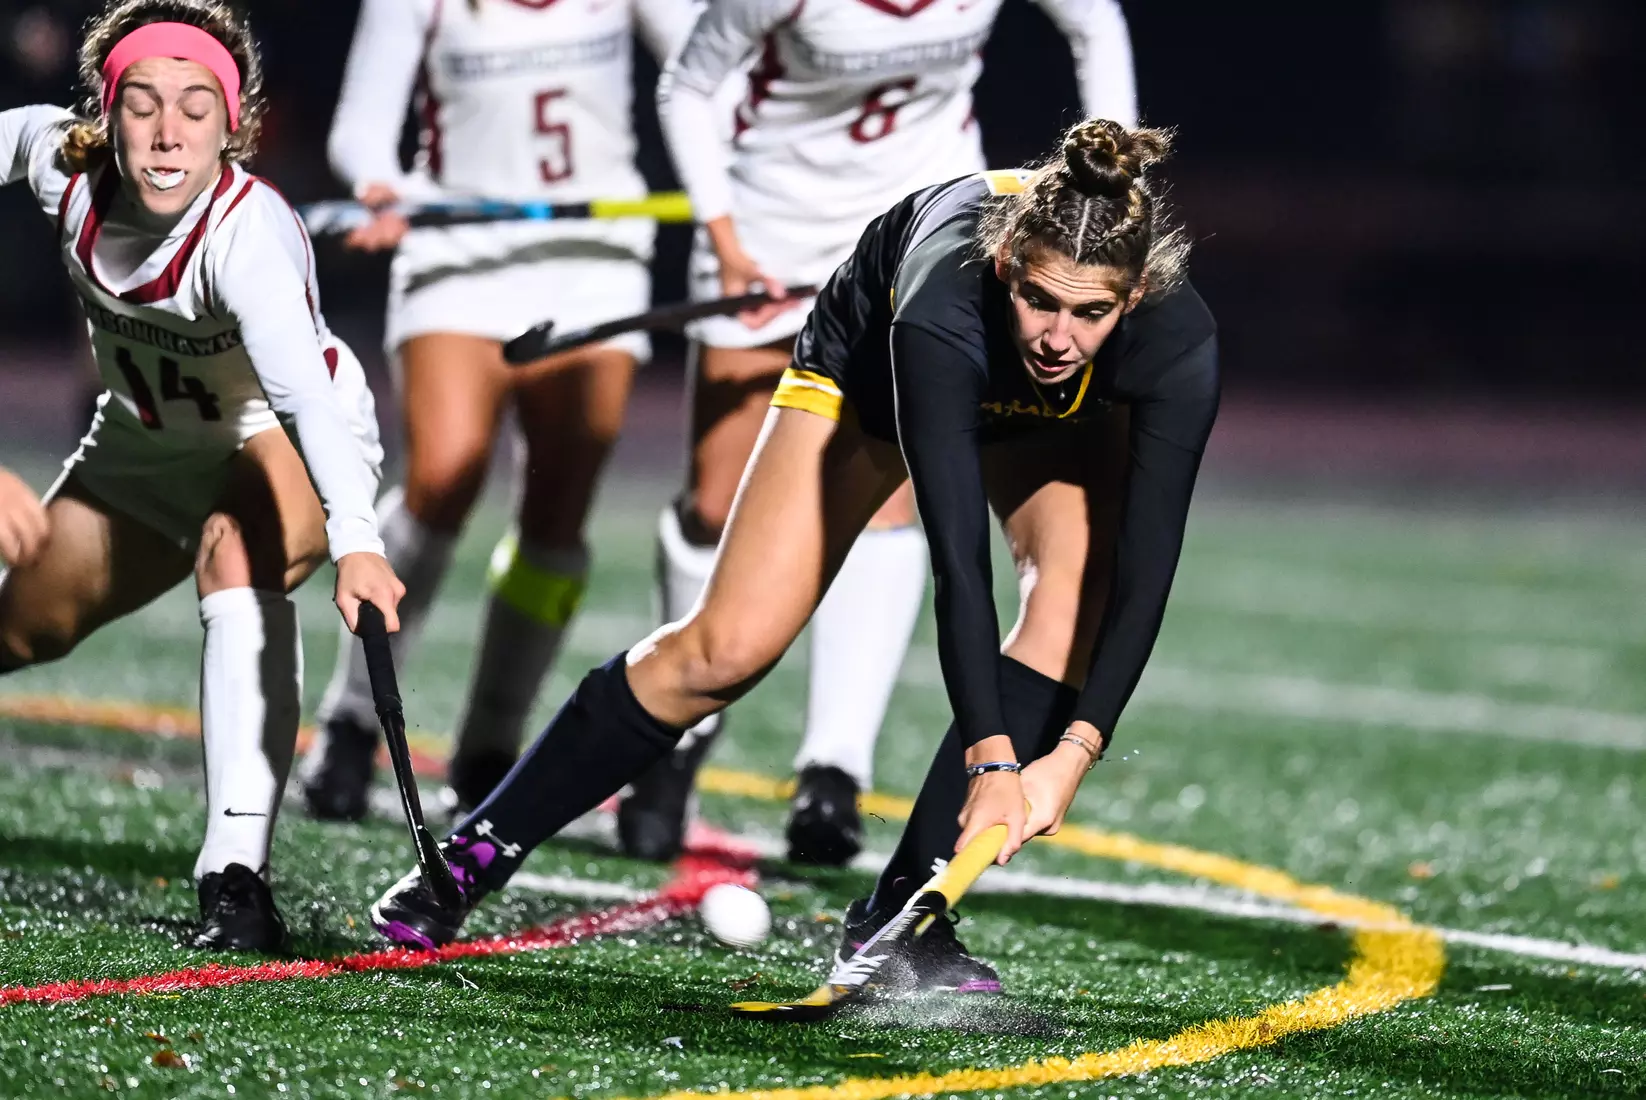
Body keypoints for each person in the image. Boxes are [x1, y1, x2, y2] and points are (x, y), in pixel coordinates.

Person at [368, 118, 1219, 992]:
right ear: (1006, 267)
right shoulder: (943, 309)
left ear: (1136, 297)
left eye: (1091, 312)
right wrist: (997, 764)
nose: (1057, 336)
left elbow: (1147, 573)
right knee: (726, 648)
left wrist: (1069, 757)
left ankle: (903, 919)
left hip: (1045, 410)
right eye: (1040, 299)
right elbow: (959, 566)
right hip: (873, 373)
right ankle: (471, 855)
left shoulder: (1177, 345)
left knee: (1076, 595)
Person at [627, 0, 1141, 867]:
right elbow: (688, 84)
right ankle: (679, 741)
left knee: (891, 499)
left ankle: (833, 768)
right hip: (770, 228)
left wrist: (1111, 184)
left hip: (923, 235)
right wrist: (723, 234)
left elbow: (1096, 23)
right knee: (718, 507)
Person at [0, 0, 404, 952]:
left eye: (196, 104)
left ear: (236, 123)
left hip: (278, 433)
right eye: (143, 102)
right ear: (104, 111)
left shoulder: (248, 233)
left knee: (236, 554)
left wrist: (357, 541)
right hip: (142, 445)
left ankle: (235, 878)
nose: (170, 129)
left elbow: (305, 398)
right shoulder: (54, 162)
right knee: (23, 627)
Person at [298, 0, 704, 822]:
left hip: (593, 257)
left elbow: (713, 64)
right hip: (460, 249)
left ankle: (489, 746)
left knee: (556, 510)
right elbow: (360, 128)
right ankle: (349, 723)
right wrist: (381, 184)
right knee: (444, 475)